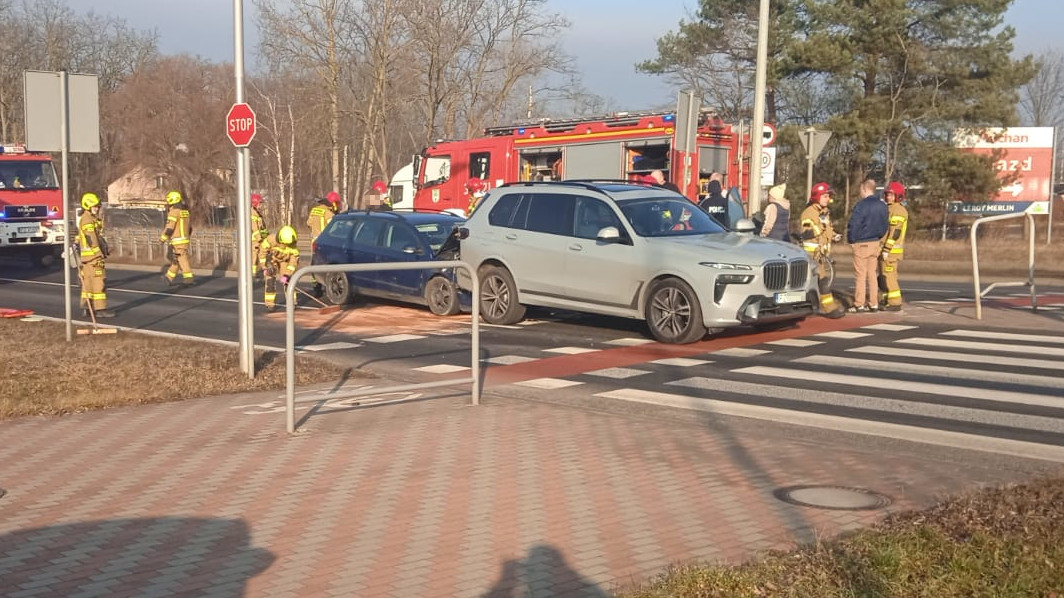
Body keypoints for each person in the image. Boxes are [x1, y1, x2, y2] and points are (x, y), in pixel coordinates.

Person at [799, 182, 845, 318]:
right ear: (816, 197)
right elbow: (807, 232)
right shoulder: (809, 213)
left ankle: (820, 306)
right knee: (822, 281)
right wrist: (822, 227)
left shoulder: (823, 213)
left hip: (820, 255)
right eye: (825, 196)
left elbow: (827, 230)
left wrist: (834, 235)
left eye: (828, 196)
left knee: (818, 281)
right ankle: (828, 308)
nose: (828, 199)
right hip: (811, 255)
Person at [847, 178, 890, 313]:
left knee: (860, 275)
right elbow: (885, 225)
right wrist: (879, 237)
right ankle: (873, 303)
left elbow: (854, 224)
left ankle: (859, 303)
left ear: (865, 189)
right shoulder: (883, 206)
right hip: (875, 242)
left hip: (862, 242)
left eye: (861, 189)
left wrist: (851, 240)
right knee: (872, 273)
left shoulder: (861, 205)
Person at [76, 192, 114, 318]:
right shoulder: (87, 220)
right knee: (99, 283)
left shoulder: (89, 219)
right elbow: (91, 238)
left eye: (98, 206)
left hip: (88, 258)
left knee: (88, 284)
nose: (97, 208)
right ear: (87, 206)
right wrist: (99, 253)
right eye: (95, 206)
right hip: (93, 258)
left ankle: (87, 307)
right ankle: (100, 309)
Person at [879, 181, 909, 311]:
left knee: (889, 277)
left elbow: (895, 232)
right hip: (883, 250)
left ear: (898, 196)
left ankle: (895, 302)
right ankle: (885, 299)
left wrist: (886, 249)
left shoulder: (899, 210)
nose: (887, 197)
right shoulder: (888, 208)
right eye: (886, 194)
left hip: (891, 252)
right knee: (883, 277)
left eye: (890, 194)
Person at [259, 225, 300, 312]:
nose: (285, 245)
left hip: (284, 261)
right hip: (272, 260)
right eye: (284, 243)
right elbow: (262, 253)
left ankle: (292, 302)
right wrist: (264, 267)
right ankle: (269, 304)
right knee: (270, 281)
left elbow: (293, 263)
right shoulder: (270, 240)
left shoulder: (293, 247)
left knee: (288, 282)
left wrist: (287, 275)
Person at [306, 191, 339, 295]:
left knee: (314, 263)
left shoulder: (314, 210)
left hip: (314, 242)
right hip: (325, 243)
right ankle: (328, 287)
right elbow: (334, 230)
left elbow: (308, 223)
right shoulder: (329, 214)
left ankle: (316, 287)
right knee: (327, 264)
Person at [160, 190, 194, 286]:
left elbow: (170, 227)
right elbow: (190, 227)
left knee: (181, 257)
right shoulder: (185, 212)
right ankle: (169, 277)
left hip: (178, 239)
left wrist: (163, 238)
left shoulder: (174, 212)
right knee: (176, 259)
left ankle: (188, 277)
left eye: (168, 201)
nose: (167, 204)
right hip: (185, 239)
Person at [250, 193, 268, 278]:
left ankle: (263, 270)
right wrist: (259, 238)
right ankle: (253, 274)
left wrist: (265, 235)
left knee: (262, 254)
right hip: (255, 240)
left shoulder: (257, 213)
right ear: (255, 203)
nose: (261, 205)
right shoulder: (252, 213)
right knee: (255, 256)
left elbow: (262, 227)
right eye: (260, 203)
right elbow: (255, 228)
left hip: (260, 239)